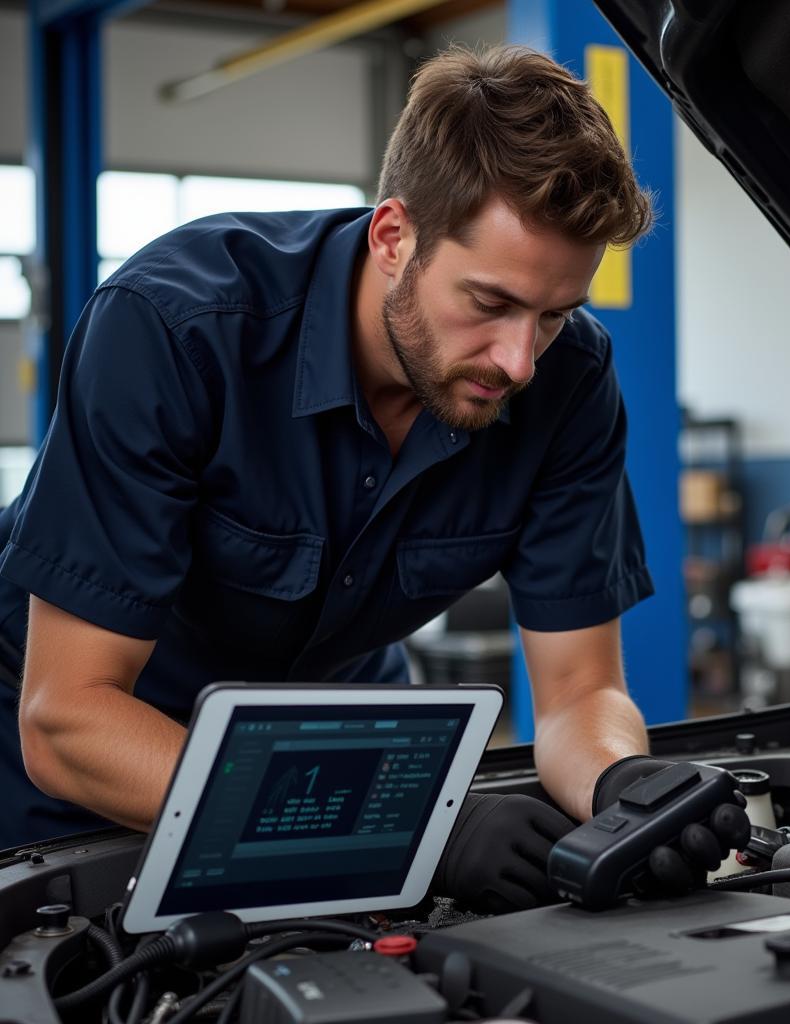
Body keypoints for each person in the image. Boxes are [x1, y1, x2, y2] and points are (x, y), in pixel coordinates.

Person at [0, 45, 662, 912]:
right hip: (87, 774)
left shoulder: (569, 382)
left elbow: (582, 691)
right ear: (395, 237)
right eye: (491, 304)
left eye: (554, 313)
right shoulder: (177, 328)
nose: (520, 361)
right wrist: (418, 827)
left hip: (333, 752)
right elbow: (68, 720)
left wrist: (630, 790)